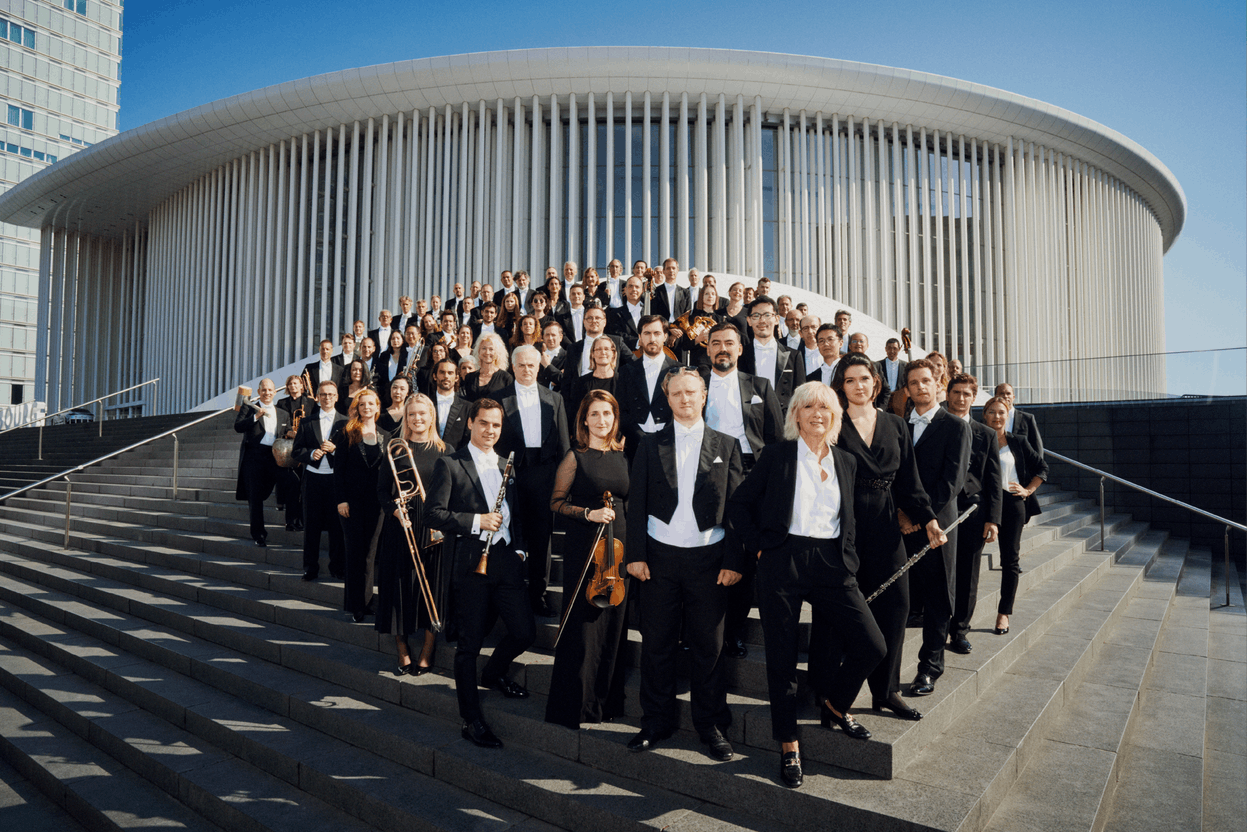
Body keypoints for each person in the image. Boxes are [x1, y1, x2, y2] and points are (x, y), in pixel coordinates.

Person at [728, 381, 887, 788]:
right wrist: (760, 547)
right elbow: (739, 503)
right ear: (795, 415)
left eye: (825, 408)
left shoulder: (846, 461)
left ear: (835, 417)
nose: (817, 414)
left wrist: (847, 555)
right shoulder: (777, 455)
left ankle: (834, 704)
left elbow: (850, 516)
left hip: (832, 564)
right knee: (781, 659)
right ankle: (789, 744)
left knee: (873, 645)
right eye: (808, 407)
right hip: (782, 560)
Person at [812, 354, 943, 721]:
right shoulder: (832, 424)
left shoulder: (896, 425)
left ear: (876, 383)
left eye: (864, 379)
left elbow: (910, 482)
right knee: (835, 613)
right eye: (850, 380)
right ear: (841, 386)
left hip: (886, 527)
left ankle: (886, 691)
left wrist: (929, 520)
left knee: (897, 606)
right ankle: (823, 689)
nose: (858, 386)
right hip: (843, 527)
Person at [625, 368, 743, 762]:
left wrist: (734, 559)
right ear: (667, 397)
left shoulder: (727, 445)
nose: (684, 399)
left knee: (709, 647)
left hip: (710, 560)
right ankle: (655, 721)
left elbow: (737, 509)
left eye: (691, 392)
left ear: (704, 395)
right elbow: (636, 503)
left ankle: (711, 725)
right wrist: (636, 554)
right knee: (657, 644)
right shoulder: (649, 443)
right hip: (659, 558)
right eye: (676, 393)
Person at [425, 397, 536, 749]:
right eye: (484, 423)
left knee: (524, 632)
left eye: (496, 425)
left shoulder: (507, 464)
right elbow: (433, 514)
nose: (490, 430)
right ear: (470, 423)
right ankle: (471, 720)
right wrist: (477, 521)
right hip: (471, 562)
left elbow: (516, 513)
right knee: (469, 645)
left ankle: (493, 673)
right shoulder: (450, 463)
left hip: (505, 559)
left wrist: (519, 549)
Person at [545, 390, 631, 730]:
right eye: (594, 414)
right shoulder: (575, 457)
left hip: (618, 552)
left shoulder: (623, 455)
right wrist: (587, 513)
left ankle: (604, 704)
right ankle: (574, 707)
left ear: (615, 418)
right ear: (583, 419)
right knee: (582, 628)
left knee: (613, 627)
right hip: (586, 549)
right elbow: (556, 503)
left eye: (607, 413)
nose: (601, 420)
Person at [700, 322, 782, 658]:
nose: (723, 348)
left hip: (751, 474)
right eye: (716, 342)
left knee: (745, 554)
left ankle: (734, 631)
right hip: (706, 471)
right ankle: (700, 630)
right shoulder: (694, 383)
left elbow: (776, 439)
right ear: (707, 348)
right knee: (706, 550)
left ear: (740, 349)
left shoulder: (760, 385)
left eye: (729, 343)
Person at [902, 358, 971, 698]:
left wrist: (918, 517)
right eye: (914, 382)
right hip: (900, 523)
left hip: (937, 523)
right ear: (906, 390)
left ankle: (929, 668)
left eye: (926, 380)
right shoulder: (899, 424)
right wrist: (900, 514)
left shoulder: (956, 427)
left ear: (937, 384)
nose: (921, 387)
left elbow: (951, 483)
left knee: (938, 596)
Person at [495, 345, 571, 617]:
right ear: (513, 367)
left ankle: (538, 593)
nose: (527, 369)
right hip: (510, 475)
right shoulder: (498, 398)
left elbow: (563, 443)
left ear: (539, 367)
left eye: (532, 365)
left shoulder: (555, 398)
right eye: (522, 365)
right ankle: (510, 595)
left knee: (541, 538)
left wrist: (564, 483)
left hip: (544, 475)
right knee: (510, 535)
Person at [375, 394, 447, 676]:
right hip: (401, 525)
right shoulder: (395, 449)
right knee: (399, 586)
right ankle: (402, 648)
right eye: (412, 414)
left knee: (432, 586)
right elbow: (382, 490)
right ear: (406, 418)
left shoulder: (445, 449)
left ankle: (428, 648)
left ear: (432, 416)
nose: (417, 419)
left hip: (434, 526)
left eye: (422, 413)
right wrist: (395, 511)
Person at [982, 395, 1048, 636]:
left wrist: (1028, 490)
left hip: (1012, 504)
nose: (997, 416)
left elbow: (1042, 468)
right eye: (992, 412)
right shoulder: (976, 439)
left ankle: (1003, 613)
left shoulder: (1018, 441)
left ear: (1007, 415)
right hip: (983, 505)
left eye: (1001, 412)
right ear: (984, 415)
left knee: (1010, 560)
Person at [946, 374, 1002, 655]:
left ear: (974, 397)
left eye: (966, 394)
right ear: (948, 394)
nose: (960, 398)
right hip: (940, 510)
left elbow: (993, 479)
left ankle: (959, 631)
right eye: (956, 392)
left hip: (972, 512)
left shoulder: (986, 434)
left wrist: (993, 519)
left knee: (968, 574)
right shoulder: (936, 426)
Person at [334, 389, 391, 622]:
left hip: (377, 504)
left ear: (378, 407)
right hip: (351, 503)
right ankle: (355, 605)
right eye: (362, 404)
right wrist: (341, 499)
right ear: (356, 408)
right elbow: (338, 470)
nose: (366, 407)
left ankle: (367, 602)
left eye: (370, 403)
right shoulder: (346, 433)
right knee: (355, 552)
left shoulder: (386, 435)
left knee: (370, 554)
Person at [292, 381, 346, 581]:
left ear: (337, 397)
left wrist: (336, 450)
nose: (327, 397)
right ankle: (310, 568)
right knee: (311, 526)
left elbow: (351, 453)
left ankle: (337, 567)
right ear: (317, 397)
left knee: (337, 526)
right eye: (323, 394)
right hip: (313, 480)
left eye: (331, 394)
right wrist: (311, 453)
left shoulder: (346, 422)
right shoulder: (307, 422)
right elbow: (296, 451)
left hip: (336, 480)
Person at [234, 378, 293, 547]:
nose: (267, 393)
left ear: (275, 392)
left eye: (270, 390)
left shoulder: (283, 413)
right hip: (254, 457)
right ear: (259, 392)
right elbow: (238, 427)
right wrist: (255, 417)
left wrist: (292, 433)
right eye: (264, 390)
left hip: (275, 456)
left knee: (293, 483)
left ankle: (292, 522)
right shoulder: (249, 408)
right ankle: (259, 534)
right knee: (255, 497)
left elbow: (286, 430)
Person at [616, 315, 678, 456]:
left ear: (665, 336)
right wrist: (639, 436)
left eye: (657, 333)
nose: (652, 339)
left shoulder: (678, 370)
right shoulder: (627, 371)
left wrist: (665, 435)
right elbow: (621, 410)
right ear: (640, 337)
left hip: (670, 443)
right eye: (647, 333)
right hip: (635, 444)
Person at [738, 295, 806, 413]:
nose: (762, 320)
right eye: (756, 315)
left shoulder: (794, 356)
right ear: (749, 321)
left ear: (776, 319)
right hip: (749, 419)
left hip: (784, 420)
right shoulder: (739, 355)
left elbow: (801, 396)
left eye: (767, 315)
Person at [564, 335, 620, 421]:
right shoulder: (581, 383)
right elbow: (576, 415)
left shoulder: (622, 381)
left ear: (613, 353)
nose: (603, 352)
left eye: (606, 349)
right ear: (593, 354)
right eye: (598, 349)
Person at [675, 284, 724, 369]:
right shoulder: (693, 318)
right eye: (707, 294)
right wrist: (698, 339)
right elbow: (685, 345)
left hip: (717, 362)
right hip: (699, 361)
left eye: (713, 294)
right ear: (701, 297)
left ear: (716, 297)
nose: (710, 296)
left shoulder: (721, 319)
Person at [991, 382, 1044, 457]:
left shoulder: (1027, 419)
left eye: (1008, 393)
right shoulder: (989, 418)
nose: (1005, 396)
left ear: (1013, 397)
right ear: (995, 397)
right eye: (1001, 393)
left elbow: (1037, 446)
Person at [429, 357, 469, 449]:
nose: (446, 376)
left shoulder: (467, 408)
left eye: (450, 373)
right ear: (434, 376)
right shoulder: (425, 404)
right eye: (442, 372)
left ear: (456, 378)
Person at [461, 333, 513, 402]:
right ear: (479, 351)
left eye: (491, 349)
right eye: (484, 348)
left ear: (497, 353)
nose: (487, 352)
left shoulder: (506, 378)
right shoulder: (469, 377)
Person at [649, 257, 690, 323]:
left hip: (680, 328)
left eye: (673, 268)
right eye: (668, 268)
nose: (671, 270)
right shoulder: (656, 291)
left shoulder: (686, 292)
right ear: (664, 271)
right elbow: (654, 313)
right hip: (662, 327)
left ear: (677, 270)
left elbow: (687, 314)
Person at [876, 338, 908, 408]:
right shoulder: (877, 365)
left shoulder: (906, 366)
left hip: (900, 402)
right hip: (882, 401)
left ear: (899, 349)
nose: (892, 351)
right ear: (885, 349)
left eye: (895, 348)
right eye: (889, 348)